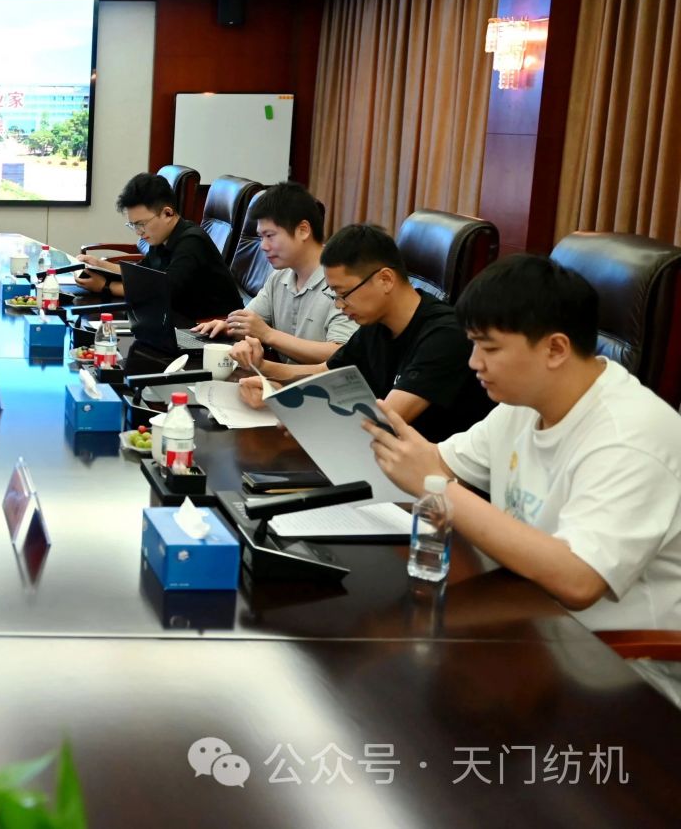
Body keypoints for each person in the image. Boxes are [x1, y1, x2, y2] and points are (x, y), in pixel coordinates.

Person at [365, 255, 681, 708]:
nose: (474, 362)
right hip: (535, 620)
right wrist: (369, 429)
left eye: (489, 349)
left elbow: (579, 580)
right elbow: (439, 463)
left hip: (622, 667)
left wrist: (435, 485)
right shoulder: (523, 403)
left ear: (555, 349)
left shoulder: (629, 436)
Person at [237, 223, 492, 440]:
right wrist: (264, 370)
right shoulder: (377, 323)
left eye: (343, 294)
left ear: (385, 279)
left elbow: (384, 420)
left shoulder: (445, 335)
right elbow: (326, 372)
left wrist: (297, 410)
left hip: (432, 473)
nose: (339, 305)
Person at [194, 181, 356, 362]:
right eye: (261, 237)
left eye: (270, 236)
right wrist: (228, 327)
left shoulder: (342, 282)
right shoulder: (279, 277)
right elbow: (250, 322)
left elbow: (340, 353)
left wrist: (267, 335)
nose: (263, 246)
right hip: (278, 376)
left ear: (303, 230)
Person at [76, 172, 242, 323]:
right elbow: (142, 273)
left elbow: (161, 292)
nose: (139, 232)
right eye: (133, 225)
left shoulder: (192, 242)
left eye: (141, 224)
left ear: (167, 213)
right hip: (177, 318)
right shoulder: (161, 237)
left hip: (210, 328)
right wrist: (99, 265)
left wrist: (106, 286)